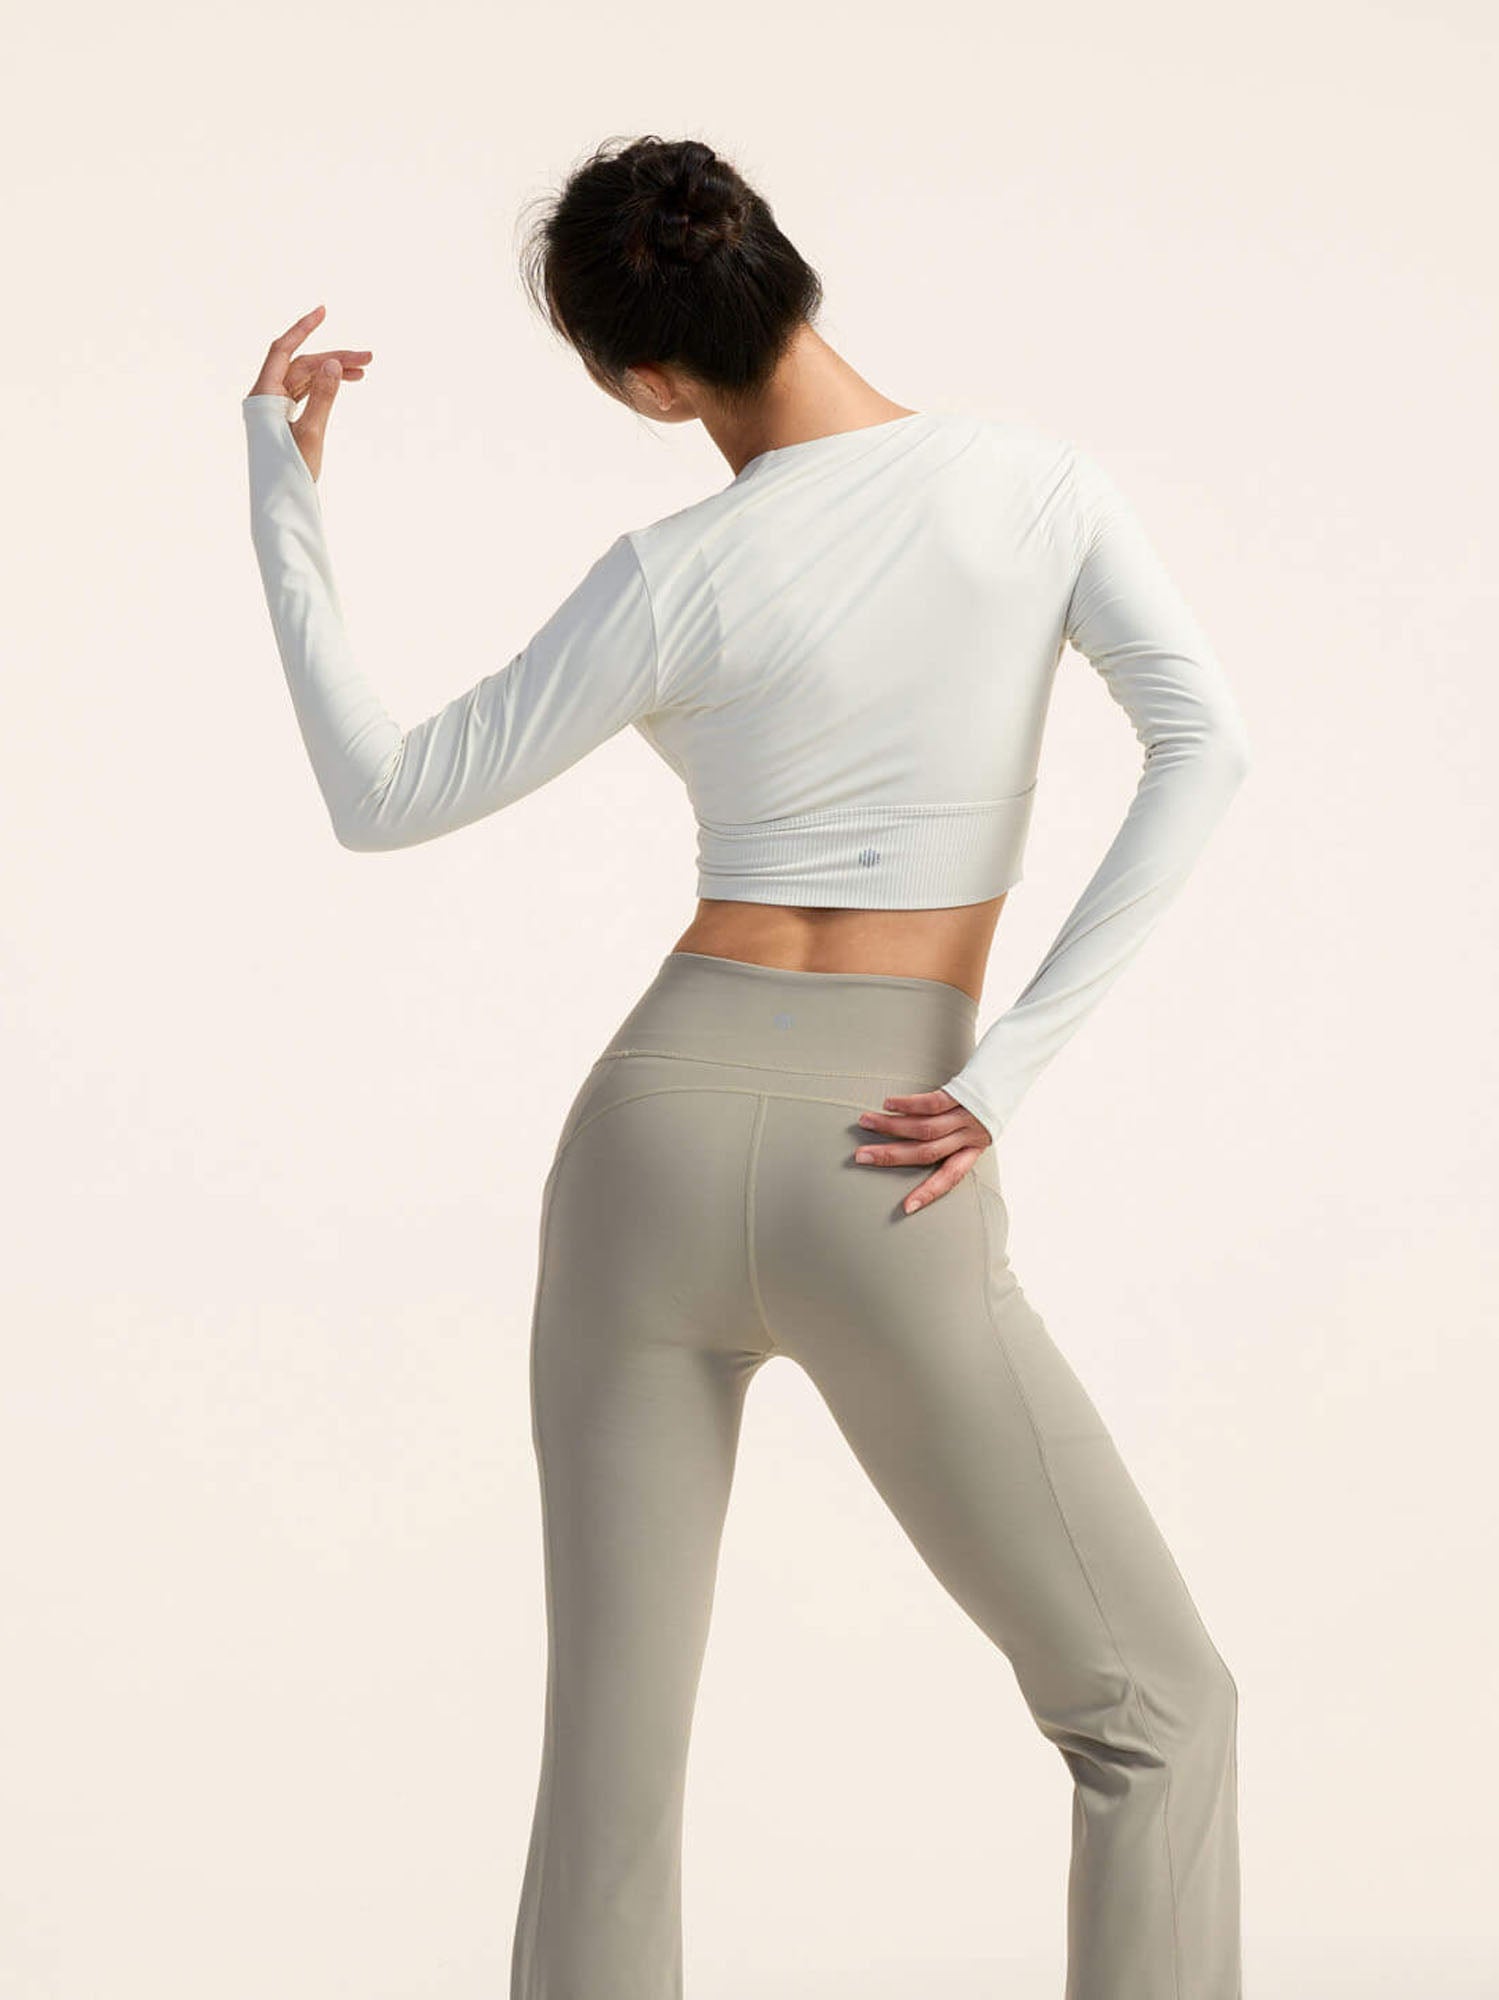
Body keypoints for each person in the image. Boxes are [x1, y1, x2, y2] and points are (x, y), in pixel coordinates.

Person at [241, 134, 1249, 2000]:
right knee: (1152, 1713)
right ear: (783, 264)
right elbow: (1205, 745)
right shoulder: (1031, 486)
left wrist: (281, 492)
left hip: (652, 1138)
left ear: (644, 381)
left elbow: (382, 798)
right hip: (893, 1152)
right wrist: (1007, 1075)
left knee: (607, 1789)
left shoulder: (671, 571)